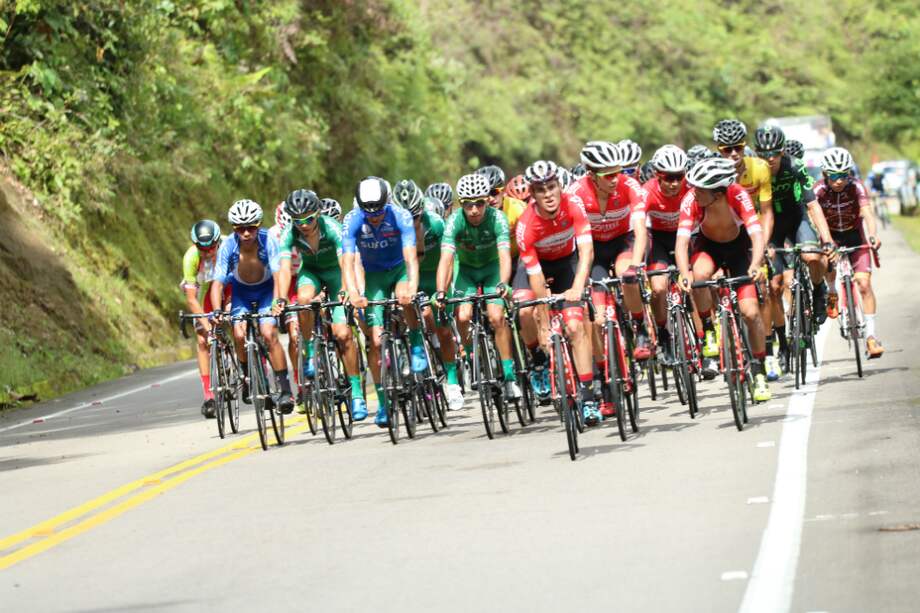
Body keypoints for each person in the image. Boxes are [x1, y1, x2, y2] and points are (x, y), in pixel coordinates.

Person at [675, 157, 772, 402]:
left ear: (718, 194)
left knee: (751, 313)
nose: (693, 191)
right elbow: (682, 242)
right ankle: (709, 329)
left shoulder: (738, 195)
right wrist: (684, 273)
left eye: (700, 189)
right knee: (699, 275)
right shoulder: (691, 200)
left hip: (739, 249)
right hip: (709, 248)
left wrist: (755, 264)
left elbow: (757, 235)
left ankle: (759, 370)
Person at [513, 160, 599, 425]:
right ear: (533, 194)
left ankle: (588, 396)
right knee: (524, 309)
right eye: (541, 190)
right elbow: (536, 277)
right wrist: (543, 323)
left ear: (559, 186)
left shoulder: (574, 205)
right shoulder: (526, 225)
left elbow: (586, 251)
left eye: (551, 187)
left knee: (574, 326)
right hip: (536, 267)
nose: (548, 194)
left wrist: (578, 287)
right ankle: (538, 360)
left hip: (566, 263)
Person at [272, 189, 367, 419]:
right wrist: (281, 298)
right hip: (311, 273)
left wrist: (345, 289)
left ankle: (356, 394)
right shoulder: (289, 233)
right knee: (303, 300)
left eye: (308, 219)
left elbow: (345, 263)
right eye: (298, 220)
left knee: (343, 334)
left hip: (336, 274)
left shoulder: (332, 227)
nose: (303, 225)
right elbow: (284, 269)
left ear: (318, 213)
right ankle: (308, 351)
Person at [753, 125, 835, 379]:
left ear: (782, 152)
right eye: (764, 154)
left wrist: (827, 239)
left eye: (774, 154)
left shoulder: (795, 166)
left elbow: (813, 205)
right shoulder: (752, 172)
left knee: (812, 257)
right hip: (770, 225)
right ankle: (783, 343)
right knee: (774, 286)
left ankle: (819, 290)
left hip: (797, 218)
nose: (770, 159)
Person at [341, 177, 424, 427]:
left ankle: (416, 344)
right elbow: (347, 262)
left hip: (399, 270)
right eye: (369, 211)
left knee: (405, 299)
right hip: (374, 277)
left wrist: (412, 287)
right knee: (376, 342)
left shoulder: (400, 216)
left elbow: (411, 258)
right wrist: (353, 293)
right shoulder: (352, 220)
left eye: (378, 210)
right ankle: (383, 403)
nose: (374, 216)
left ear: (386, 202)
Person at [568, 141, 652, 380]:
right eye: (608, 175)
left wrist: (636, 265)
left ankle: (640, 327)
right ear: (591, 175)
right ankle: (603, 374)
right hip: (594, 250)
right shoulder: (576, 193)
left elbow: (640, 230)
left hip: (623, 241)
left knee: (628, 276)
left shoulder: (629, 185)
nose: (616, 179)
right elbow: (580, 245)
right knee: (597, 319)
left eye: (618, 172)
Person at [434, 173, 521, 403]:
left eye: (480, 203)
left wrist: (503, 284)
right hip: (467, 272)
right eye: (468, 205)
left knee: (496, 317)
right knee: (462, 316)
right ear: (461, 204)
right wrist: (441, 291)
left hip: (492, 270)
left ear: (487, 201)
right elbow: (446, 260)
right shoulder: (454, 221)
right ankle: (468, 358)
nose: (474, 210)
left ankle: (509, 376)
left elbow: (505, 256)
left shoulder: (498, 218)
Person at [209, 199, 295, 413]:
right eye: (240, 229)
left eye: (251, 227)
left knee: (268, 333)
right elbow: (217, 283)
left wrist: (278, 301)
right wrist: (217, 310)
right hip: (241, 294)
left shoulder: (268, 240)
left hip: (266, 292)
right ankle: (247, 377)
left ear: (258, 225)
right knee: (239, 335)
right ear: (234, 229)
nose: (246, 233)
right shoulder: (228, 245)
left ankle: (285, 390)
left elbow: (278, 274)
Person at [392, 179, 463, 410]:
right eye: (405, 219)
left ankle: (452, 381)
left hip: (435, 276)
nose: (411, 223)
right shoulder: (391, 230)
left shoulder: (436, 224)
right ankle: (414, 346)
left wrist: (446, 289)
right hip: (409, 277)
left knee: (443, 329)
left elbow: (449, 258)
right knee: (409, 309)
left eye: (415, 217)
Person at [714, 119, 775, 377]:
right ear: (718, 150)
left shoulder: (759, 168)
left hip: (752, 232)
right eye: (727, 149)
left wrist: (765, 244)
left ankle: (768, 351)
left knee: (763, 286)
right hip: (723, 234)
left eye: (737, 147)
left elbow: (767, 212)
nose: (733, 154)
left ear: (744, 146)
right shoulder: (712, 172)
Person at [813, 147, 885, 358]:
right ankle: (831, 292)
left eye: (844, 175)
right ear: (825, 174)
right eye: (834, 176)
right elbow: (813, 217)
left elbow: (867, 213)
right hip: (831, 236)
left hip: (855, 236)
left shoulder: (856, 186)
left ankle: (871, 337)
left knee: (864, 284)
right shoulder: (818, 190)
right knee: (828, 266)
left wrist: (873, 235)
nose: (839, 181)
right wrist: (824, 242)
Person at [643, 145, 692, 365]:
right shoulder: (646, 192)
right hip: (659, 241)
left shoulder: (691, 188)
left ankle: (704, 337)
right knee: (659, 288)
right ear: (657, 175)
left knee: (696, 283)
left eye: (679, 177)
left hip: (686, 237)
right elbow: (639, 229)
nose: (674, 183)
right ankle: (663, 332)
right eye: (668, 178)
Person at [181, 219, 225, 418]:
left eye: (211, 248)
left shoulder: (227, 248)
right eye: (202, 249)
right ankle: (209, 396)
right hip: (203, 292)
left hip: (226, 286)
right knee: (202, 340)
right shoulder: (191, 257)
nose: (207, 253)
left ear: (218, 242)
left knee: (239, 324)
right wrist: (207, 328)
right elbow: (192, 299)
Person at [268, 202, 301, 395]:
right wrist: (279, 297)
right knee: (294, 335)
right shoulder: (272, 235)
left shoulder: (305, 229)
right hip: (284, 281)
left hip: (304, 276)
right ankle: (300, 382)